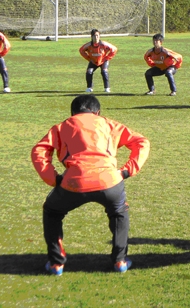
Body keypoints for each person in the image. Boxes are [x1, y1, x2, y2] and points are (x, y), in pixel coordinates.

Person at [31, 94, 150, 275]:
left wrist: (53, 178)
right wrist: (127, 170)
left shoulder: (62, 126)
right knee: (118, 213)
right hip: (109, 181)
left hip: (73, 181)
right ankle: (120, 261)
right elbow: (141, 142)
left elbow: (39, 150)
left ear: (72, 113)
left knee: (52, 211)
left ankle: (57, 264)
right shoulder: (110, 124)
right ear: (98, 112)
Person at [79, 29, 118, 93]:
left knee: (104, 71)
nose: (96, 37)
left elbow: (114, 49)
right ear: (91, 36)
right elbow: (81, 50)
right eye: (94, 36)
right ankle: (89, 87)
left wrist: (107, 58)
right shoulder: (88, 45)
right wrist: (89, 58)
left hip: (103, 61)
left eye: (97, 35)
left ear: (99, 36)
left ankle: (107, 88)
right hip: (93, 61)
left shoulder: (104, 44)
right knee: (89, 72)